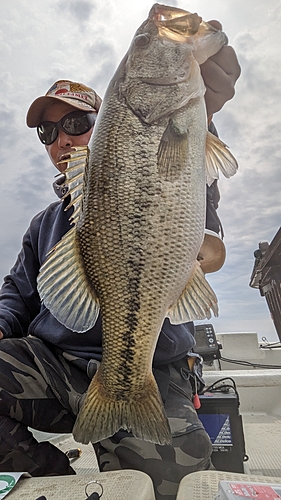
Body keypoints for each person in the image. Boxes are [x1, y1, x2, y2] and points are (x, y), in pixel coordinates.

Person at [0, 28, 240, 500]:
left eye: (75, 123)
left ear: (107, 121)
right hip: (58, 368)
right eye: (48, 131)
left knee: (180, 487)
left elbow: (195, 193)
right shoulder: (43, 224)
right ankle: (55, 480)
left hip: (150, 365)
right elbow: (17, 294)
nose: (61, 139)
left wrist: (203, 113)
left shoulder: (168, 155)